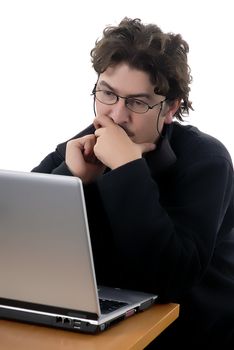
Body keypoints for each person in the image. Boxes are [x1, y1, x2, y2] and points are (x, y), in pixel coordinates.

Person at [32, 17, 234, 348]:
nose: (116, 116)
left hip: (191, 332)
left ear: (170, 108)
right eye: (108, 94)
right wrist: (72, 180)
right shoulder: (83, 145)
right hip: (103, 328)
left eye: (137, 102)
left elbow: (171, 280)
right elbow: (15, 234)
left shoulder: (208, 161)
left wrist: (127, 168)